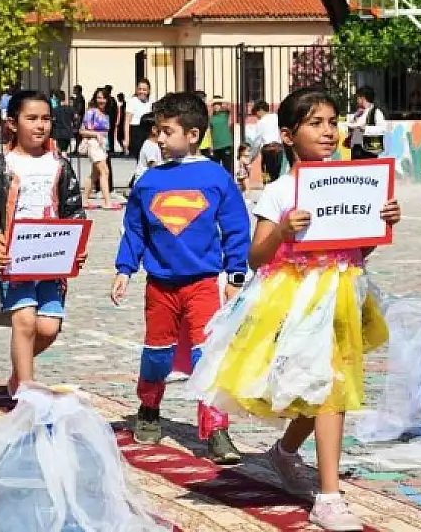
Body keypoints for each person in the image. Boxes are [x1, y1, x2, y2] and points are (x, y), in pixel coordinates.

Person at [189, 87, 401, 531]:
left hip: (343, 293)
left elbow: (358, 249)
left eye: (332, 121)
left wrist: (379, 222)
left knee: (330, 386)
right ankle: (328, 496)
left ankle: (287, 455)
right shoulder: (281, 190)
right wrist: (283, 230)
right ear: (287, 135)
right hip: (296, 297)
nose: (328, 131)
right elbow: (255, 255)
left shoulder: (354, 181)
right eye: (315, 123)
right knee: (321, 387)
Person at [110, 92, 250, 465]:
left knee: (209, 357)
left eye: (166, 131)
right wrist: (125, 268)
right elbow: (134, 230)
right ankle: (149, 408)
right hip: (160, 286)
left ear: (192, 134)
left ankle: (216, 430)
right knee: (157, 354)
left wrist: (236, 274)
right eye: (157, 131)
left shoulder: (216, 177)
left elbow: (236, 227)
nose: (158, 138)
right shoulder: (148, 182)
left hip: (204, 284)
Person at [0, 90, 86, 397]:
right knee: (24, 321)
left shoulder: (60, 164)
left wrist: (76, 242)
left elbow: (74, 207)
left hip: (51, 258)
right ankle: (26, 392)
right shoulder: (0, 165)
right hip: (15, 258)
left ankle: (17, 373)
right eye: (31, 118)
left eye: (46, 118)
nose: (41, 126)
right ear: (12, 123)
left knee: (48, 328)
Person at [79, 88, 118, 209]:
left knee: (95, 174)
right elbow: (82, 131)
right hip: (93, 144)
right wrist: (96, 134)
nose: (101, 100)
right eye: (99, 97)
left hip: (102, 146)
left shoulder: (106, 114)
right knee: (105, 171)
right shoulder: (91, 112)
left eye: (103, 97)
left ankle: (84, 200)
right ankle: (107, 202)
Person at [348, 86, 385, 160]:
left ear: (363, 98)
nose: (357, 100)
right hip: (356, 148)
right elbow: (352, 125)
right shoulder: (358, 112)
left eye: (358, 97)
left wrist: (365, 129)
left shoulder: (376, 112)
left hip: (369, 149)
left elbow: (382, 129)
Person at [253, 100, 283, 183]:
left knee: (267, 175)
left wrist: (252, 156)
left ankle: (269, 191)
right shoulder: (277, 117)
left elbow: (257, 142)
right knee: (277, 174)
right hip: (279, 149)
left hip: (268, 150)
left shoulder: (261, 122)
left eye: (256, 113)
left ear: (260, 110)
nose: (256, 116)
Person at [125, 78, 154, 160]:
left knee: (149, 157)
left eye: (144, 89)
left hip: (148, 131)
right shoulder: (132, 102)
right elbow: (127, 121)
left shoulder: (151, 102)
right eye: (140, 89)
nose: (142, 92)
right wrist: (127, 139)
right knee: (140, 158)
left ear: (148, 91)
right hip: (136, 131)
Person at [131, 118, 161, 185]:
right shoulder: (150, 146)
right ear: (154, 129)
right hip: (144, 184)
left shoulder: (155, 144)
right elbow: (153, 167)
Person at [209, 95, 234, 171]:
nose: (216, 107)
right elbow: (211, 132)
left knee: (227, 167)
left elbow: (230, 105)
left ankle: (228, 182)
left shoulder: (225, 114)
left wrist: (220, 100)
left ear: (221, 105)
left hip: (226, 144)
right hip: (216, 146)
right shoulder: (211, 118)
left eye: (218, 104)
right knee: (216, 168)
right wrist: (211, 145)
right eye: (214, 105)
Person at [52, 90, 75, 154]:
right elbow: (74, 119)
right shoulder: (70, 108)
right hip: (68, 132)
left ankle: (63, 163)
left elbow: (53, 120)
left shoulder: (55, 110)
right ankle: (65, 162)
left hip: (59, 133)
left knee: (59, 151)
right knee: (64, 151)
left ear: (57, 98)